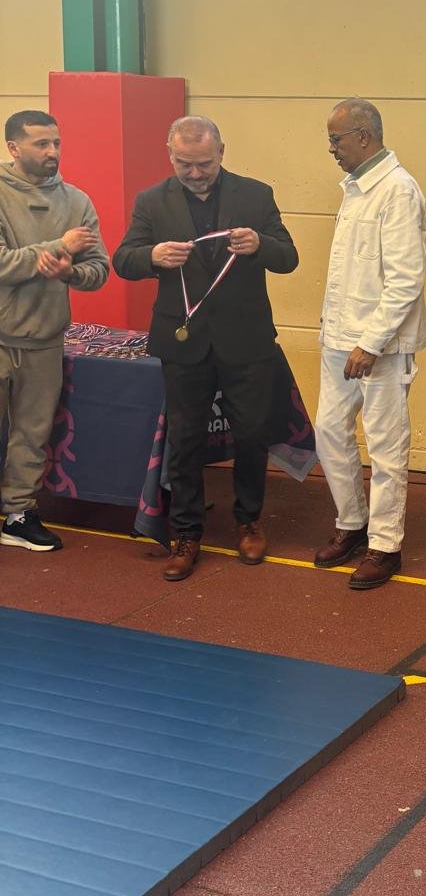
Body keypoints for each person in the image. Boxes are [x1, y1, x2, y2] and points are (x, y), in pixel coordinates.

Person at [113, 116, 298, 581]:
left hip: (246, 340)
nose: (195, 173)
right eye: (184, 164)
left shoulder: (256, 195)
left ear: (221, 152)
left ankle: (248, 521)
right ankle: (186, 532)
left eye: (204, 164)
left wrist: (260, 244)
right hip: (183, 340)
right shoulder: (151, 200)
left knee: (252, 435)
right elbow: (124, 260)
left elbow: (288, 257)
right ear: (170, 155)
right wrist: (153, 256)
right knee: (186, 440)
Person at [312, 99, 426, 591]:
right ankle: (352, 523)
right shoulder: (356, 187)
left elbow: (406, 280)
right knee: (329, 432)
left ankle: (385, 545)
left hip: (380, 345)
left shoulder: (397, 190)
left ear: (364, 136)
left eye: (335, 139)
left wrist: (371, 342)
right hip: (339, 337)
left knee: (385, 445)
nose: (331, 148)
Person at [0, 110, 110, 552]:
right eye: (41, 144)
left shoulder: (77, 202)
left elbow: (98, 269)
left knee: (32, 434)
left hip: (44, 338)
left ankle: (18, 515)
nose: (52, 152)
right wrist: (57, 246)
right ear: (13, 148)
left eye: (56, 143)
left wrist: (69, 273)